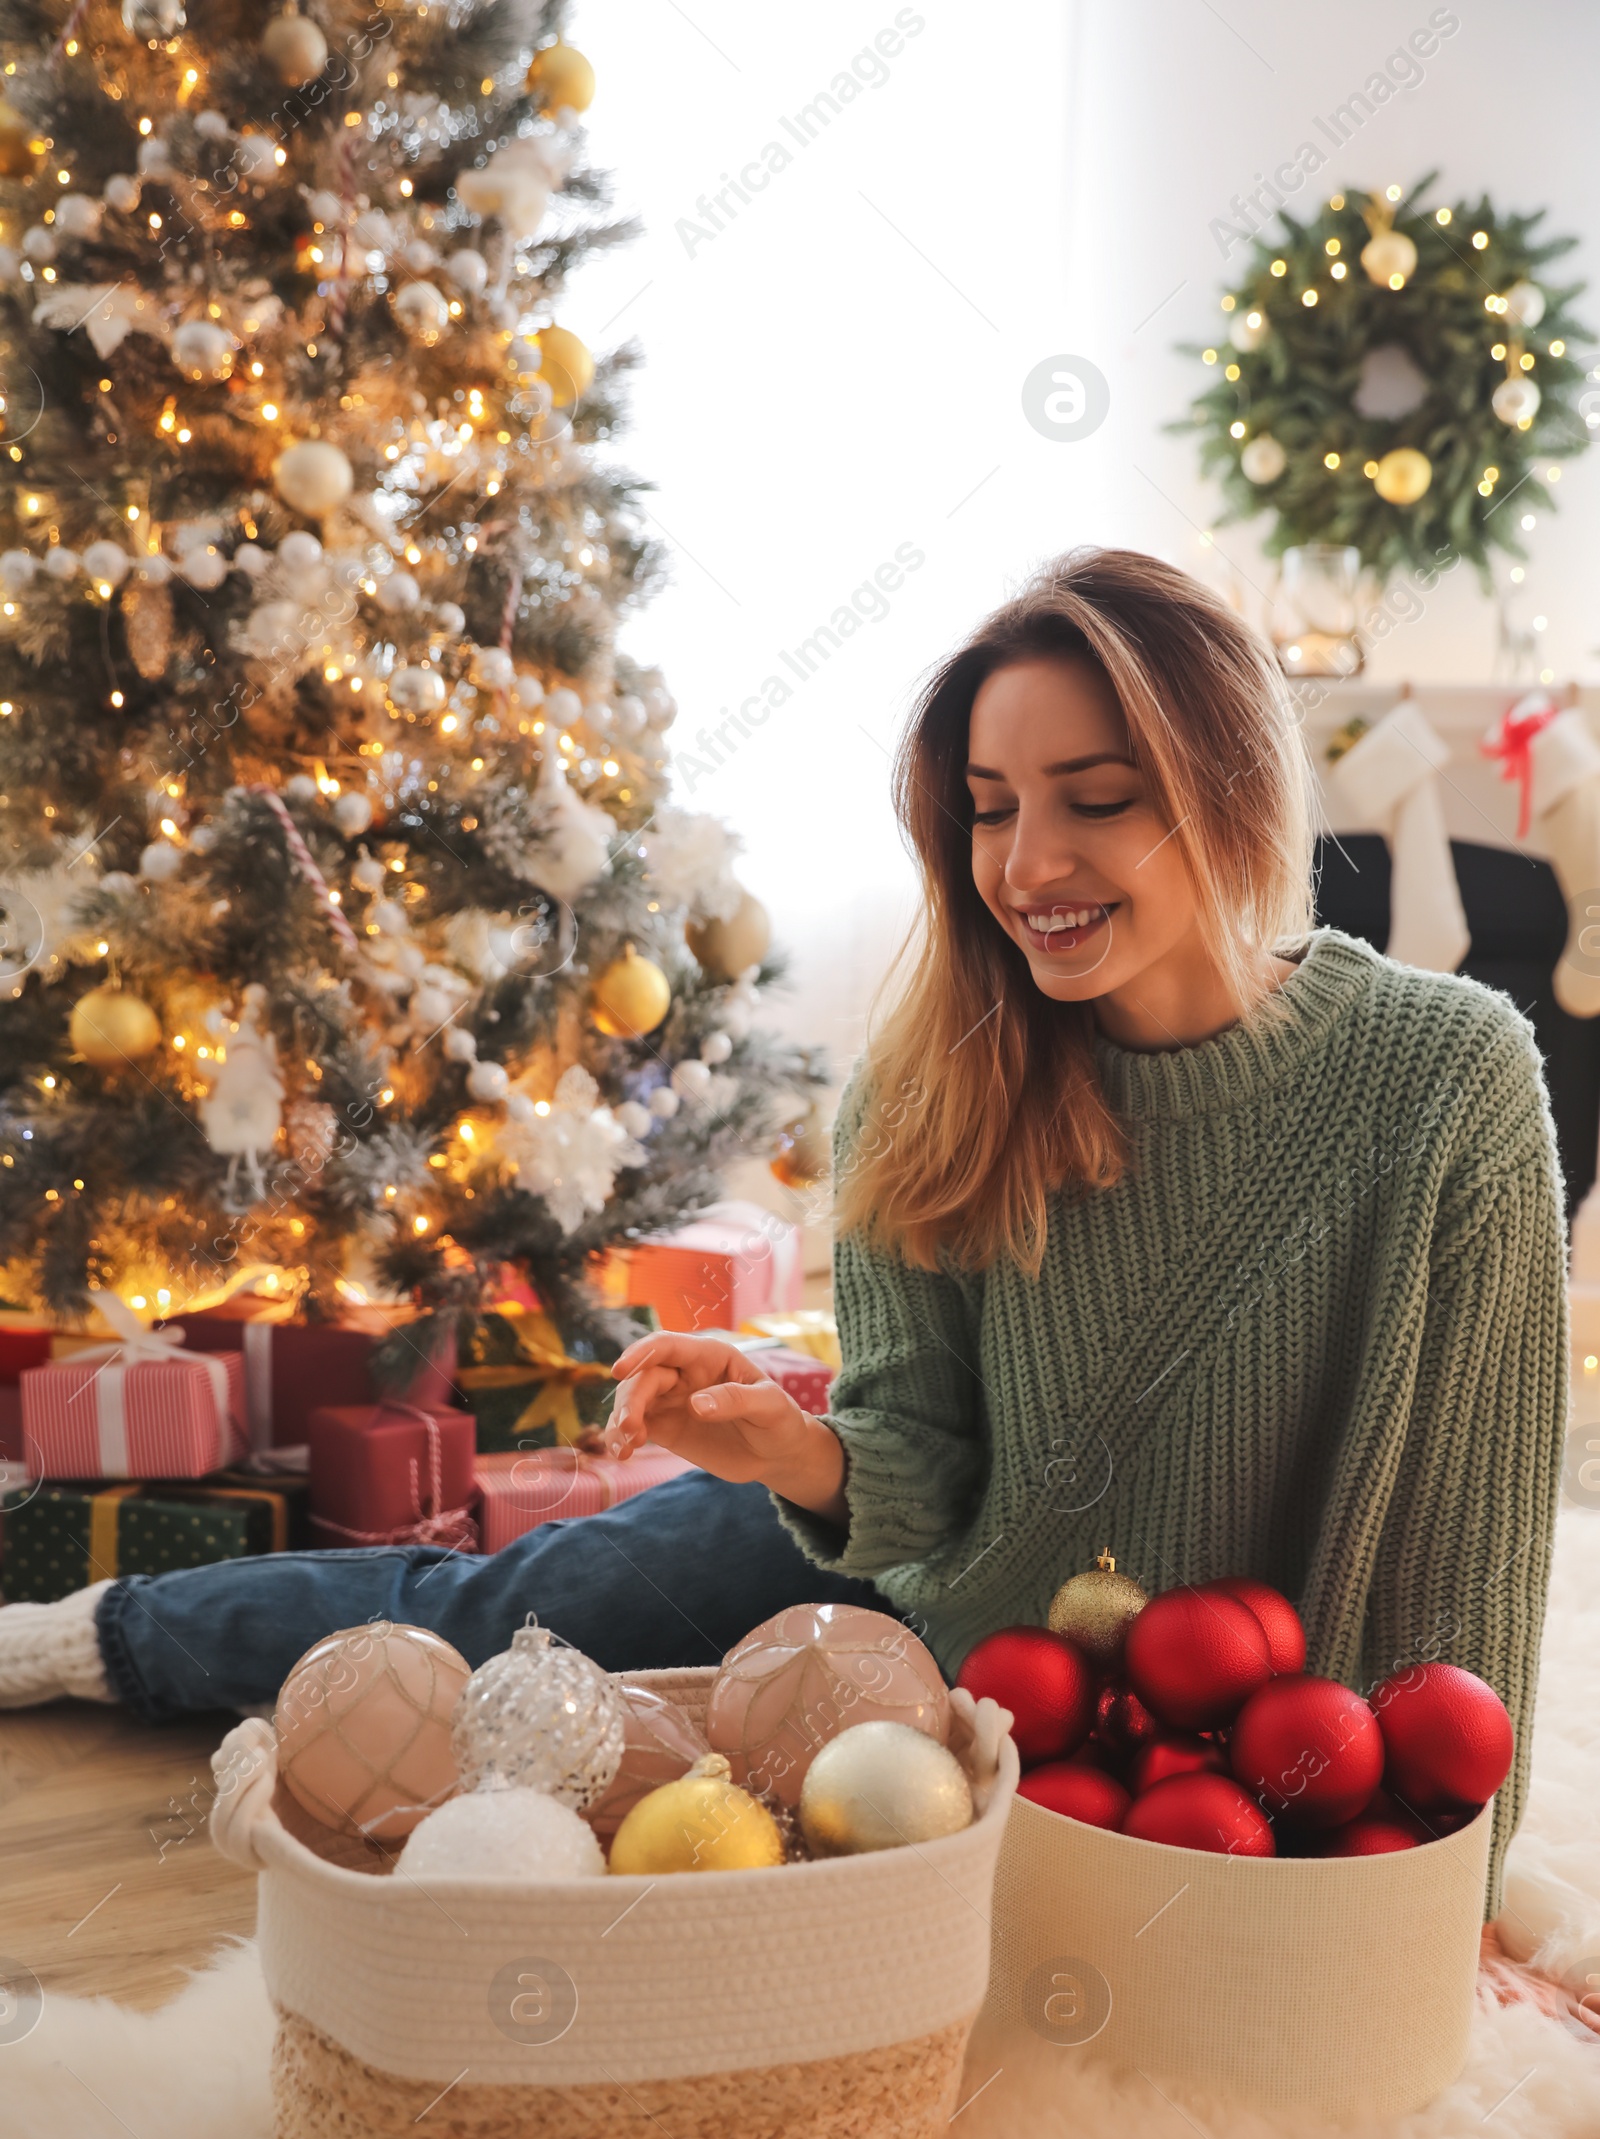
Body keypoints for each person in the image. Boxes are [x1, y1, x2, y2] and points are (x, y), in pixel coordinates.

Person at [0, 549, 1564, 1913]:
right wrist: (793, 1455)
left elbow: (1475, 1565)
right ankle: (88, 1634)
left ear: (1231, 793)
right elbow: (927, 1468)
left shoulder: (1445, 1084)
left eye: (1096, 802)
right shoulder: (940, 1080)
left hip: (1145, 1711)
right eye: (989, 809)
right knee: (495, 1628)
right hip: (911, 1581)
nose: (1027, 867)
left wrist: (1450, 1904)